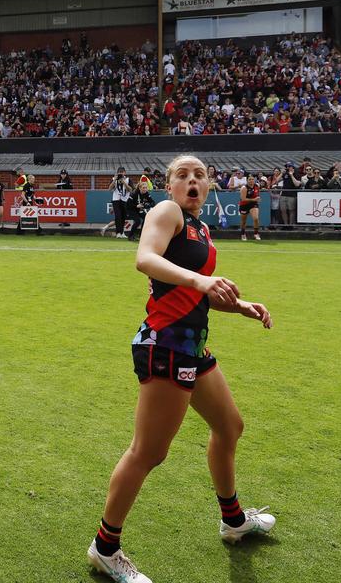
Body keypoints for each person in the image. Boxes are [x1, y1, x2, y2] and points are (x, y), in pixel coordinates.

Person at [88, 155, 274, 583]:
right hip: (165, 345)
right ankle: (105, 547)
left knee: (229, 427)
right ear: (169, 186)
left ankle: (233, 520)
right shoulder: (166, 212)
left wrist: (240, 305)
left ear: (208, 187)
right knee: (148, 452)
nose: (193, 181)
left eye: (200, 176)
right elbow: (146, 259)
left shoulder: (202, 230)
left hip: (193, 346)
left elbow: (192, 292)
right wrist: (202, 281)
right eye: (183, 176)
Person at [238, 175, 262, 241]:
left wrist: (257, 199)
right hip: (244, 205)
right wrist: (254, 199)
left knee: (256, 218)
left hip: (253, 204)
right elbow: (243, 199)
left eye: (252, 179)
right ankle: (243, 234)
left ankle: (256, 234)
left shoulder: (257, 186)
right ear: (247, 180)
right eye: (249, 179)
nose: (251, 181)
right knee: (243, 222)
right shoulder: (244, 188)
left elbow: (257, 195)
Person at [109, 167, 131, 238]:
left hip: (124, 200)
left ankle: (122, 232)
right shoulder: (114, 179)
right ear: (117, 173)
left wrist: (124, 182)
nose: (121, 173)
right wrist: (115, 180)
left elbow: (130, 189)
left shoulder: (128, 180)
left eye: (122, 172)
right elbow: (109, 188)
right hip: (116, 200)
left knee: (123, 216)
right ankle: (118, 233)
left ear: (125, 173)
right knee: (118, 216)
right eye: (119, 172)